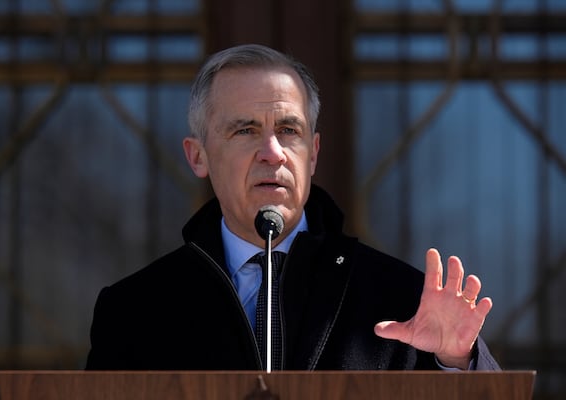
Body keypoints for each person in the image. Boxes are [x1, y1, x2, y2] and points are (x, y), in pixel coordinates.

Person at [85, 44, 500, 371]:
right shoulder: (134, 311)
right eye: (245, 130)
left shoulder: (399, 299)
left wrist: (457, 363)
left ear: (313, 153)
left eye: (289, 130)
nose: (273, 152)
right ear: (198, 157)